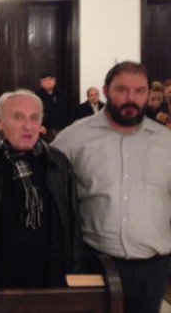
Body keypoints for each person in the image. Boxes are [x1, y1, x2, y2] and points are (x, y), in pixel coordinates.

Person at [52, 61, 171, 313]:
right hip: (95, 262)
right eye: (122, 90)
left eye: (140, 91)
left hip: (154, 266)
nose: (131, 98)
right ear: (106, 90)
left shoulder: (166, 142)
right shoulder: (74, 138)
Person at [0, 89, 83, 289]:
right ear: (0, 122)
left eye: (34, 118)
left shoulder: (58, 162)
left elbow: (73, 228)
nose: (28, 126)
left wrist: (73, 284)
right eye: (18, 117)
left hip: (49, 284)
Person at [35, 72, 73, 142]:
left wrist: (69, 127)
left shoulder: (63, 95)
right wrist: (38, 126)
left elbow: (70, 112)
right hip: (44, 131)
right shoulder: (35, 97)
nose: (48, 82)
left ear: (55, 81)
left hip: (62, 130)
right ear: (41, 83)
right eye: (45, 80)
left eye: (50, 79)